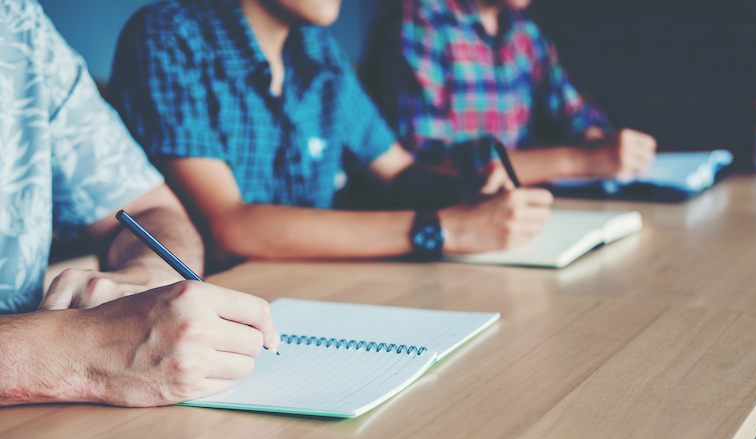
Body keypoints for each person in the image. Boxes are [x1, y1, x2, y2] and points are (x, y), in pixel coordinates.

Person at [106, 0, 554, 266]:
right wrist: (441, 228)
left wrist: (467, 192)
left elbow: (398, 171)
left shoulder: (317, 50)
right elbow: (231, 226)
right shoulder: (168, 35)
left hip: (315, 285)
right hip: (209, 306)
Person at [0, 0, 280, 408]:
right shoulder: (171, 33)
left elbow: (151, 210)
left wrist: (145, 278)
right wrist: (70, 350)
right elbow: (233, 226)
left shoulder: (17, 25)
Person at [363, 0, 658, 186]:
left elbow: (573, 112)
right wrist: (580, 160)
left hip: (516, 207)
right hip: (452, 217)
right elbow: (420, 160)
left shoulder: (522, 30)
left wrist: (597, 138)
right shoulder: (420, 20)